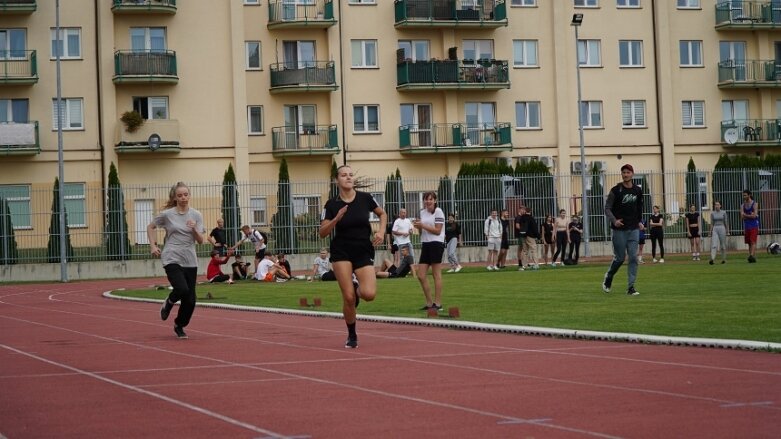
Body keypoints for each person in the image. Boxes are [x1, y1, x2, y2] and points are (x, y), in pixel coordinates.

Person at [319, 164, 387, 349]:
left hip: (363, 249)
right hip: (341, 251)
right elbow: (322, 232)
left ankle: (357, 288)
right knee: (348, 298)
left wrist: (381, 231)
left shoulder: (366, 198)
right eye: (343, 175)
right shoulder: (331, 204)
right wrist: (335, 219)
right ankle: (352, 334)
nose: (348, 178)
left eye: (350, 175)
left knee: (369, 294)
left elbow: (382, 214)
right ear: (337, 180)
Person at [147, 181, 205, 339]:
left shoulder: (196, 215)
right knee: (181, 289)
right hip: (171, 255)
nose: (183, 198)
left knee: (190, 300)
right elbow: (150, 227)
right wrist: (153, 246)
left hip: (190, 259)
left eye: (186, 194)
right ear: (174, 197)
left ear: (189, 195)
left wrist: (193, 228)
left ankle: (179, 325)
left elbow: (201, 241)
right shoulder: (167, 215)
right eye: (180, 195)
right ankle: (169, 302)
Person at [602, 164, 644, 296]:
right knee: (620, 258)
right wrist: (614, 220)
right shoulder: (616, 190)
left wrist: (640, 222)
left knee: (633, 257)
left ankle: (631, 287)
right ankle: (609, 276)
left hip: (633, 229)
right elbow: (607, 208)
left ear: (632, 174)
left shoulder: (637, 190)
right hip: (619, 230)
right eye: (623, 172)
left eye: (628, 172)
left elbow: (639, 209)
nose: (625, 174)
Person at [414, 191, 446, 311]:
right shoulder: (422, 212)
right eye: (426, 199)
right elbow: (422, 230)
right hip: (426, 243)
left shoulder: (438, 211)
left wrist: (422, 226)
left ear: (435, 200)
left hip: (436, 243)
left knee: (436, 274)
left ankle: (438, 304)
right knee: (421, 275)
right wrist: (418, 227)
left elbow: (438, 230)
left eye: (430, 199)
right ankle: (429, 303)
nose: (428, 202)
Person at [741, 189, 760, 263]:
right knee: (749, 242)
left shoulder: (755, 204)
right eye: (743, 195)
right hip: (747, 225)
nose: (744, 196)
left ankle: (751, 255)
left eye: (745, 195)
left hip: (754, 225)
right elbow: (742, 217)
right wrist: (750, 215)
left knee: (753, 241)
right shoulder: (743, 205)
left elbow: (754, 216)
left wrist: (746, 215)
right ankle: (752, 257)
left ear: (749, 195)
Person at [709, 201, 729, 265]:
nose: (717, 206)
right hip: (715, 228)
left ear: (720, 206)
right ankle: (712, 259)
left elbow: (726, 222)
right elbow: (712, 223)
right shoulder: (712, 213)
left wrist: (727, 231)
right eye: (715, 205)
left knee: (722, 245)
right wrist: (710, 232)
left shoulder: (724, 212)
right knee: (714, 244)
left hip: (722, 227)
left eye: (718, 205)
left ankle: (723, 259)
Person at [514, 206, 528, 271]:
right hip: (520, 235)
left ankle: (523, 262)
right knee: (521, 248)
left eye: (524, 210)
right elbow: (517, 226)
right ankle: (521, 262)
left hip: (523, 235)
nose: (524, 211)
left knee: (522, 248)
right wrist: (523, 230)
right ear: (519, 210)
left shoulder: (523, 217)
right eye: (522, 209)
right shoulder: (518, 217)